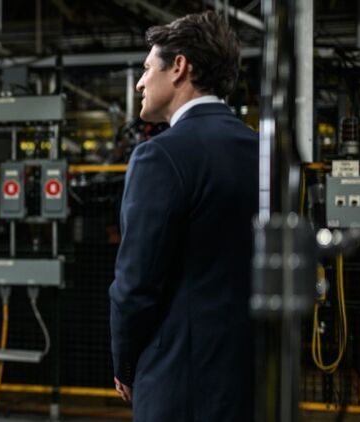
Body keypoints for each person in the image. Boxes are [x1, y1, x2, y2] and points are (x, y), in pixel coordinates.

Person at [109, 11, 257, 422]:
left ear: (179, 67)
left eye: (147, 68)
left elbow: (135, 285)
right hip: (254, 376)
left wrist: (125, 364)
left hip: (179, 380)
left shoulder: (160, 156)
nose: (140, 83)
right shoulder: (265, 154)